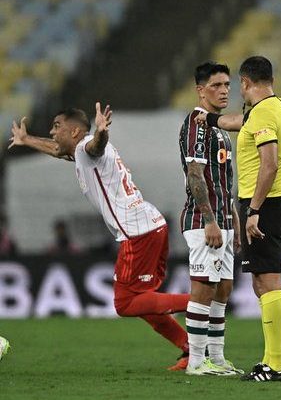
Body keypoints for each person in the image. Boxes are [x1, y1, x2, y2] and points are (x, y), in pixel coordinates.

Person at [8, 104, 190, 371]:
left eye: (56, 126)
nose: (51, 131)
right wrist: (26, 140)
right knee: (143, 301)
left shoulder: (86, 148)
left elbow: (96, 145)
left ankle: (198, 301)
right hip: (150, 227)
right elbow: (58, 150)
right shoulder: (78, 152)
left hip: (138, 232)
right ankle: (190, 348)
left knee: (125, 303)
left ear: (74, 131)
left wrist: (101, 133)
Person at [204, 56, 281, 382]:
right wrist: (210, 121)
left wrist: (253, 211)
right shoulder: (274, 107)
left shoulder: (262, 114)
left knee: (269, 284)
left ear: (245, 83)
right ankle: (272, 360)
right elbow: (237, 123)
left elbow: (268, 164)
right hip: (279, 203)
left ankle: (278, 366)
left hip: (267, 207)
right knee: (262, 282)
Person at [179, 61, 242, 376]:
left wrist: (232, 218)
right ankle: (195, 362)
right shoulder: (196, 124)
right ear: (200, 90)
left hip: (223, 220)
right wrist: (210, 220)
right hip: (204, 221)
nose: (223, 91)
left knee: (224, 288)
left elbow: (221, 180)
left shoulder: (218, 126)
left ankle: (215, 358)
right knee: (204, 286)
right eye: (216, 85)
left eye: (227, 85)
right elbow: (195, 175)